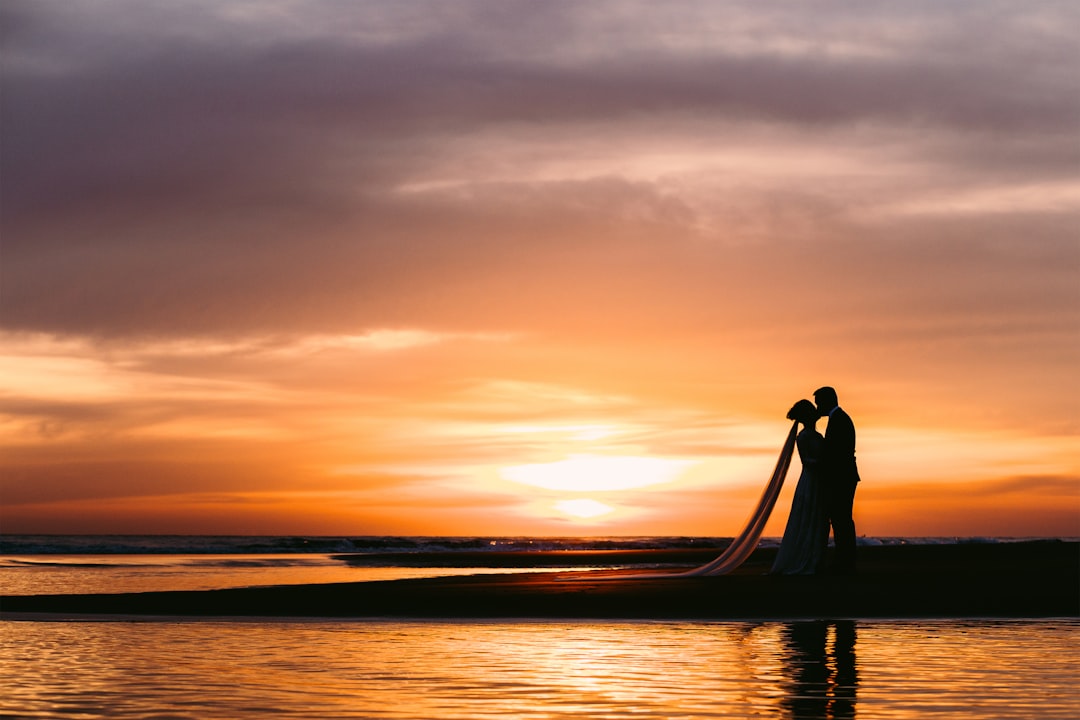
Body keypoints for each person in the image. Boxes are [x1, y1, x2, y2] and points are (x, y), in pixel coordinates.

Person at [771, 399, 828, 575]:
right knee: (808, 519)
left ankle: (815, 558)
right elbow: (807, 461)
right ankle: (807, 559)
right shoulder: (804, 437)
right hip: (811, 481)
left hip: (817, 480)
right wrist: (825, 462)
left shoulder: (811, 435)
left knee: (816, 520)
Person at [814, 385, 860, 574]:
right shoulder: (839, 419)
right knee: (841, 519)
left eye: (819, 404)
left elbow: (837, 453)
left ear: (827, 402)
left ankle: (845, 561)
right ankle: (845, 559)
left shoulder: (840, 420)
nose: (817, 408)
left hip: (842, 478)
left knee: (842, 519)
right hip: (844, 477)